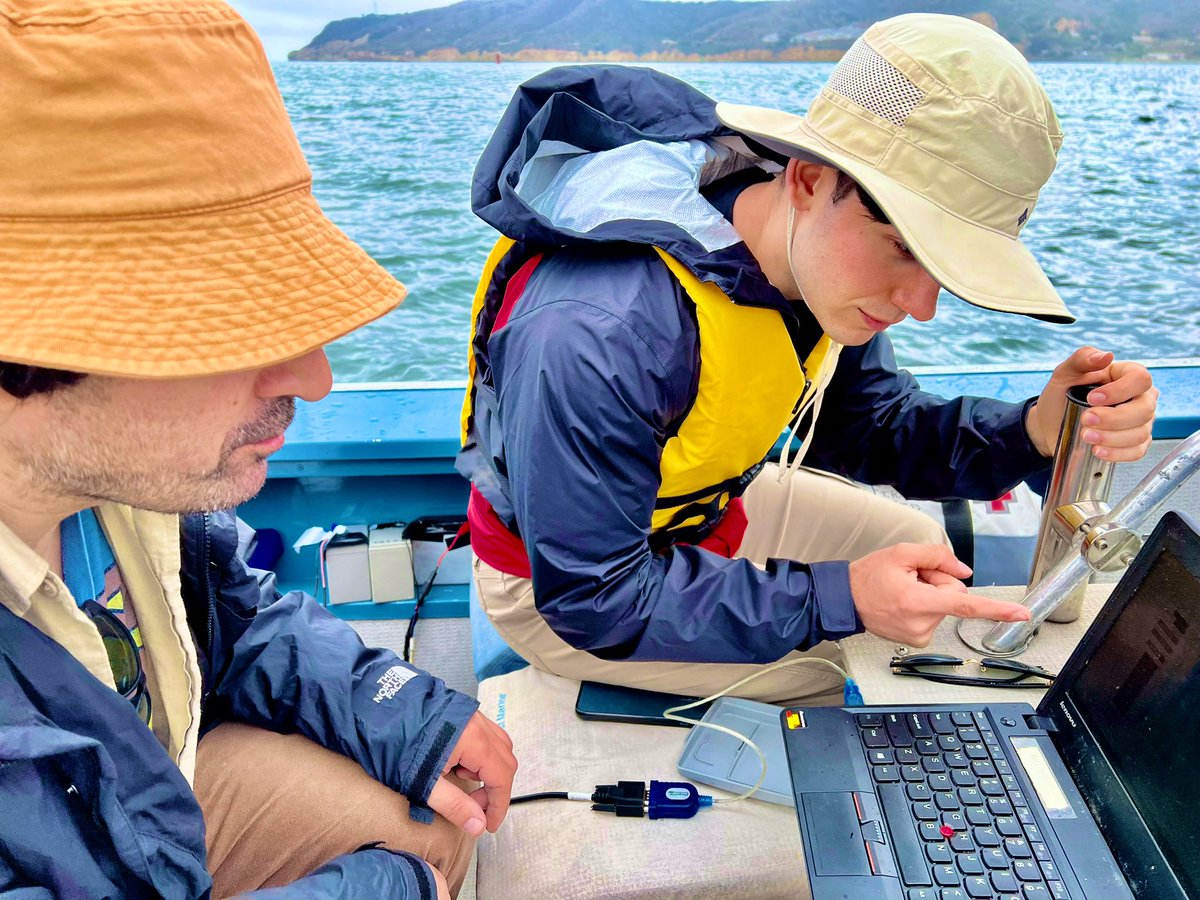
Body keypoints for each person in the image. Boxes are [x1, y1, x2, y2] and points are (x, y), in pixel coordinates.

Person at [457, 14, 1158, 705]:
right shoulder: (598, 332)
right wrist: (841, 599)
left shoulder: (808, 258)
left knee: (922, 550)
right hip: (558, 589)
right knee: (852, 669)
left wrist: (1033, 431)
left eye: (946, 269)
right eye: (905, 246)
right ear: (810, 179)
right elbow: (593, 597)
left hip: (701, 516)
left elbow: (871, 428)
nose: (921, 304)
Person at [0, 2, 515, 898]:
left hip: (142, 795)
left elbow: (233, 618)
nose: (315, 378)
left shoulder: (124, 486)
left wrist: (401, 715)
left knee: (433, 823)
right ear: (26, 352)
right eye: (232, 325)